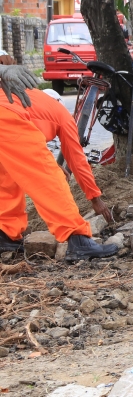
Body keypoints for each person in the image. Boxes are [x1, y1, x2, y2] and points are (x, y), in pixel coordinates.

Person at [0, 62, 118, 261]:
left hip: (6, 117)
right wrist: (95, 199)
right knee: (48, 178)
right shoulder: (63, 116)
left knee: (5, 177)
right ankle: (78, 238)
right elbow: (77, 161)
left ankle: (5, 233)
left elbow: (26, 146)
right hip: (6, 117)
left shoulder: (35, 103)